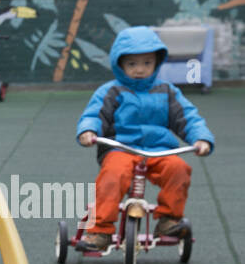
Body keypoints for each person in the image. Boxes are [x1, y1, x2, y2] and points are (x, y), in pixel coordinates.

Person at [76, 25, 213, 251]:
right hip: (121, 148)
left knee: (178, 170)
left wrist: (201, 138)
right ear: (119, 64)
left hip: (159, 149)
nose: (140, 70)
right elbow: (94, 114)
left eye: (147, 63)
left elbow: (187, 117)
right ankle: (100, 230)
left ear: (157, 62)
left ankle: (169, 219)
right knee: (112, 176)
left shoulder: (167, 91)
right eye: (132, 64)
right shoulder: (111, 91)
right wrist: (88, 131)